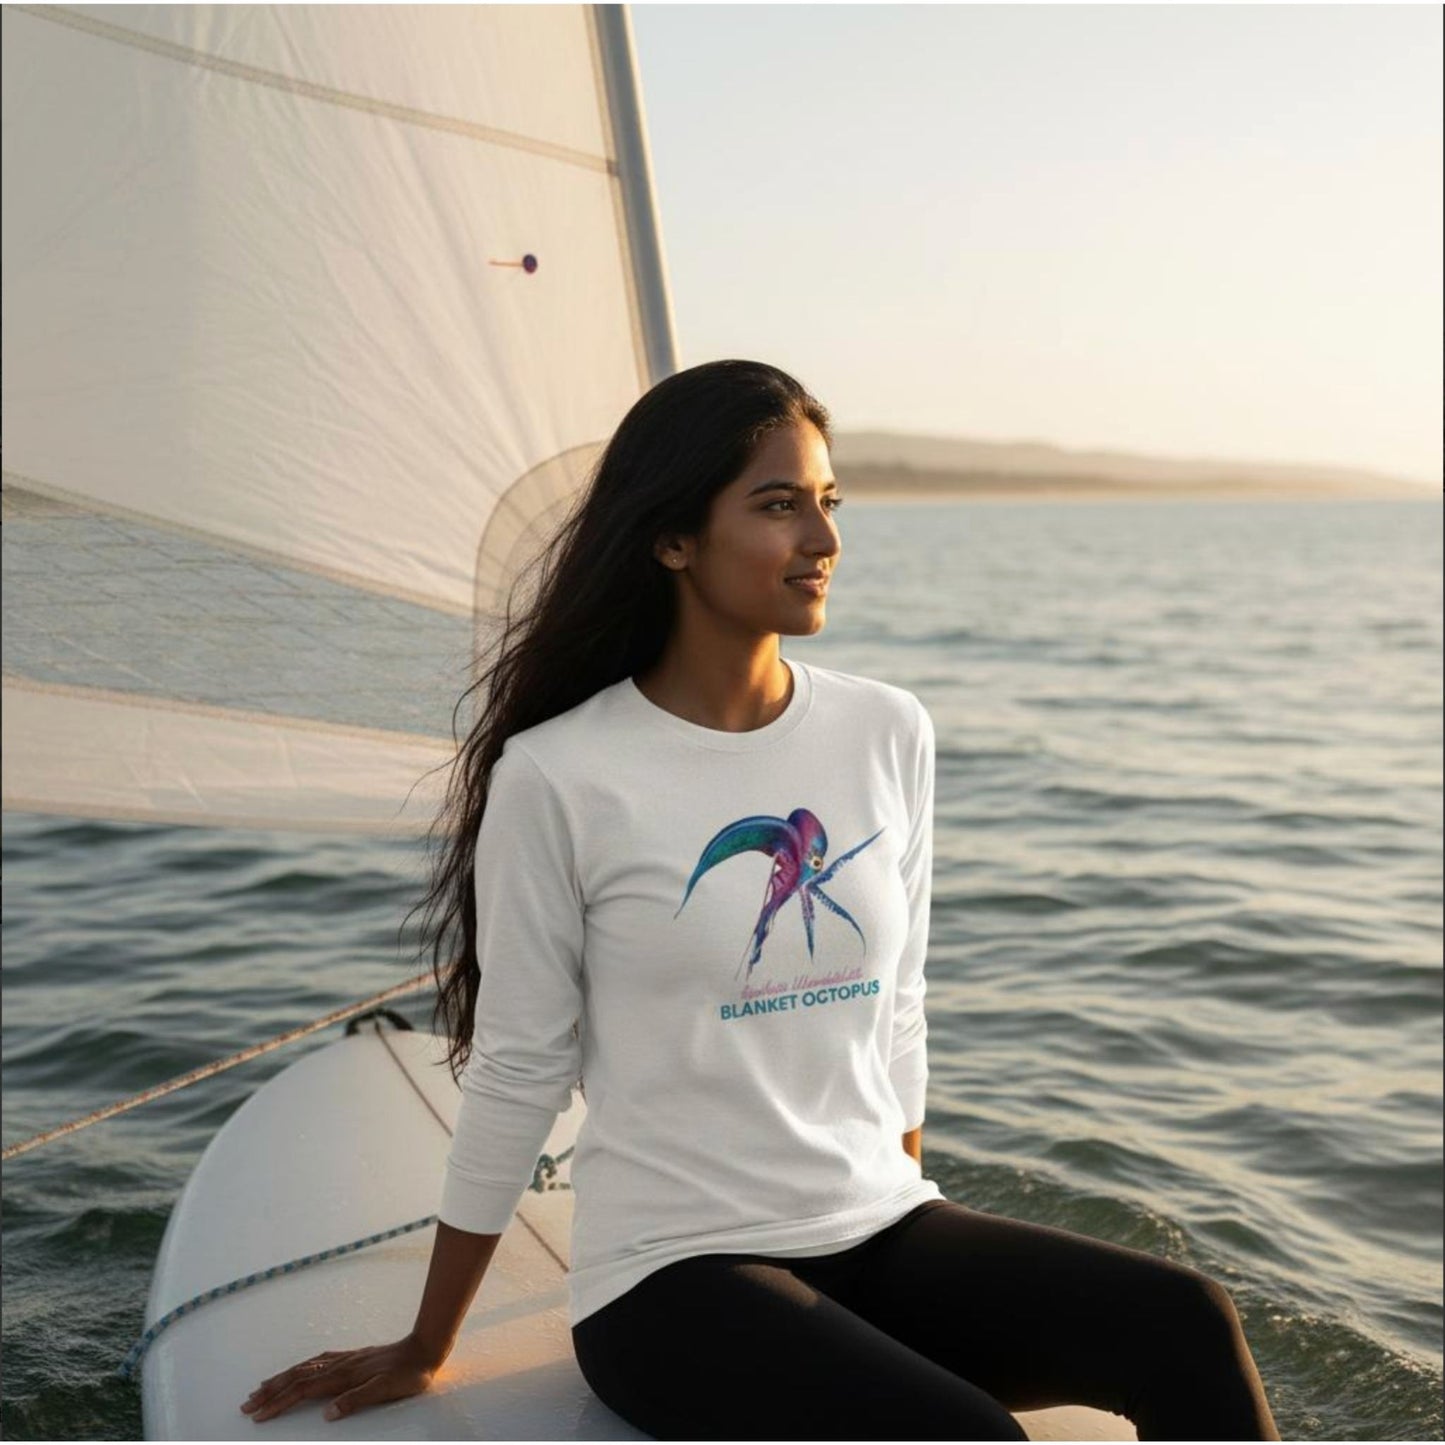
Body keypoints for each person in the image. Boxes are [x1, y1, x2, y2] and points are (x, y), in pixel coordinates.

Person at [239, 360, 1281, 1439]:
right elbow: (519, 1068)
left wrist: (904, 1206)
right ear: (671, 538)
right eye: (778, 505)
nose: (822, 540)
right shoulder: (561, 775)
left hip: (873, 1225)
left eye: (827, 502)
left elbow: (900, 1004)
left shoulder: (885, 729)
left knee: (1184, 1319)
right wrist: (427, 1338)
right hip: (669, 1274)